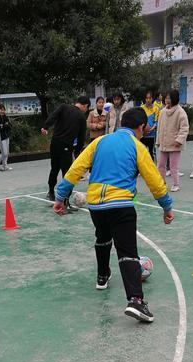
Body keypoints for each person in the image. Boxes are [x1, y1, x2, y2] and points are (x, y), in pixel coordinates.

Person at [52, 108, 174, 323]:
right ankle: (136, 300)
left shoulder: (99, 142)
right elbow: (154, 179)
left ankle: (102, 276)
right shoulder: (137, 146)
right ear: (141, 127)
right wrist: (166, 206)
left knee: (102, 238)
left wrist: (61, 196)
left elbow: (76, 168)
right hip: (121, 204)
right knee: (127, 251)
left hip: (96, 205)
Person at [41, 95, 89, 201]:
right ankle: (65, 200)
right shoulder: (81, 117)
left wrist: (45, 126)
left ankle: (50, 192)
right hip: (66, 146)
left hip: (54, 143)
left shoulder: (63, 107)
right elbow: (81, 137)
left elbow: (53, 116)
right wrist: (77, 152)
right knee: (67, 173)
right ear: (85, 106)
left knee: (54, 168)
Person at [156, 89, 189, 191]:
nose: (167, 100)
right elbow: (159, 128)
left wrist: (179, 140)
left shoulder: (181, 112)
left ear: (175, 99)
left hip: (175, 144)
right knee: (161, 165)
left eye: (169, 98)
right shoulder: (162, 112)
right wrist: (158, 141)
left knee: (173, 166)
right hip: (164, 143)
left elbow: (184, 128)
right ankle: (162, 183)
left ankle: (176, 184)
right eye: (166, 98)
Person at [0, 104, 12, 171]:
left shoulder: (5, 117)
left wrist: (3, 126)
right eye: (1, 110)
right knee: (4, 153)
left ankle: (5, 165)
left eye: (3, 110)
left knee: (7, 152)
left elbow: (9, 125)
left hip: (6, 136)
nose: (2, 111)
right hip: (0, 138)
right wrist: (3, 126)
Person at [141, 90, 160, 161]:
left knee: (151, 152)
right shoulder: (141, 108)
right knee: (142, 152)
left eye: (150, 98)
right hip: (143, 135)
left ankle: (151, 169)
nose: (148, 100)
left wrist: (151, 129)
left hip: (152, 135)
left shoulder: (156, 109)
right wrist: (143, 129)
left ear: (152, 99)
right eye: (146, 98)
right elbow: (139, 120)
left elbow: (156, 122)